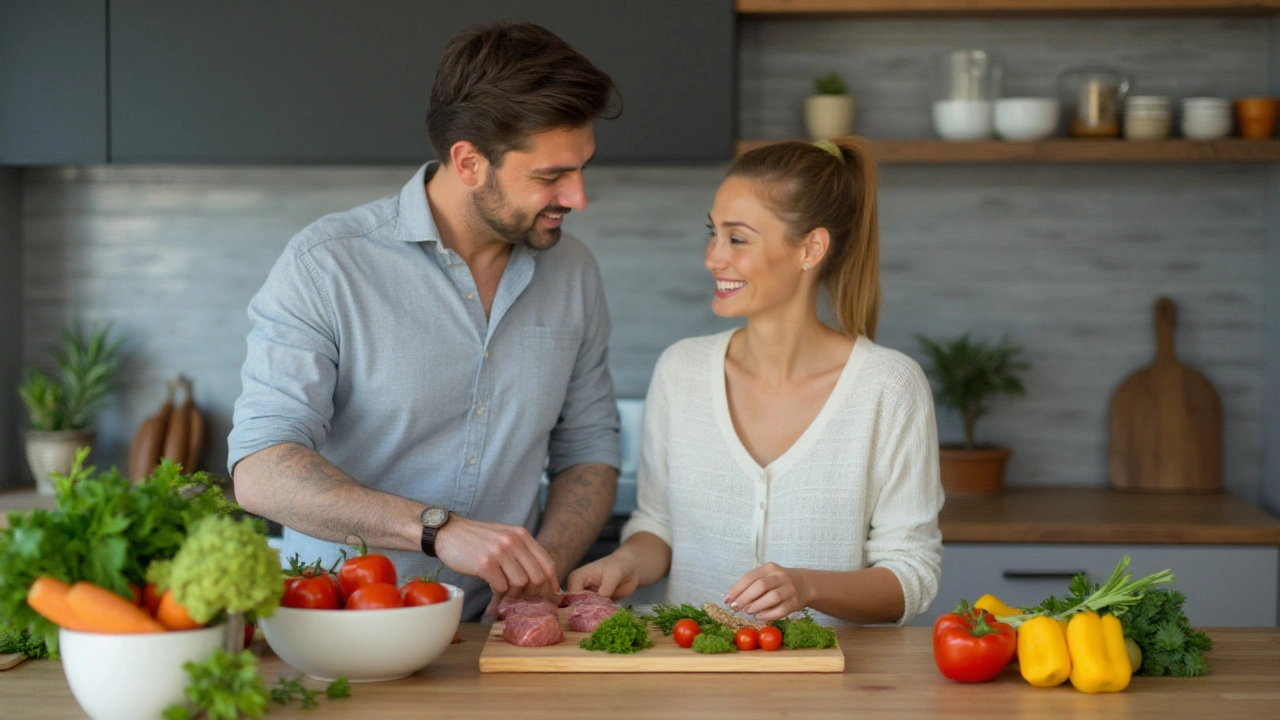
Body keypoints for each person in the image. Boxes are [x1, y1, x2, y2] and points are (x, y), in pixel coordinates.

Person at [228, 22, 623, 621]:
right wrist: (438, 529)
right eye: (550, 176)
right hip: (345, 623)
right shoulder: (327, 265)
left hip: (500, 633)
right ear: (468, 162)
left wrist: (538, 571)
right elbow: (262, 470)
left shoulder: (574, 272)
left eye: (581, 168)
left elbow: (588, 452)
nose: (578, 197)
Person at [566, 139, 944, 625]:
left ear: (811, 248)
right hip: (693, 685)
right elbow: (657, 527)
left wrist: (806, 587)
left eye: (737, 239)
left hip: (830, 694)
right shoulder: (681, 371)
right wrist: (624, 562)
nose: (713, 258)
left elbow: (912, 574)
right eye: (713, 233)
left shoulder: (889, 387)